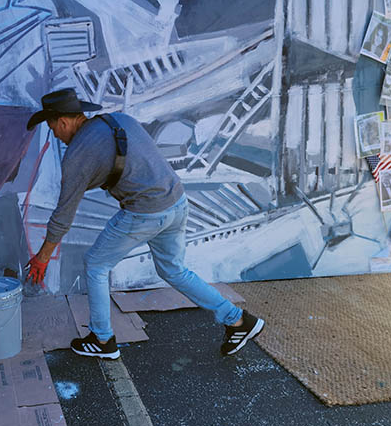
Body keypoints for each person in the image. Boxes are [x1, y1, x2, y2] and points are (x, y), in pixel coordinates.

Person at [24, 88, 264, 359]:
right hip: (176, 202)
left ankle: (102, 340)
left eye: (52, 127)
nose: (55, 134)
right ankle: (238, 320)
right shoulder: (118, 121)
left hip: (146, 212)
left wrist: (42, 257)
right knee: (173, 270)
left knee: (96, 264)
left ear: (64, 122)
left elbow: (63, 216)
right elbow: (141, 161)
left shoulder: (78, 154)